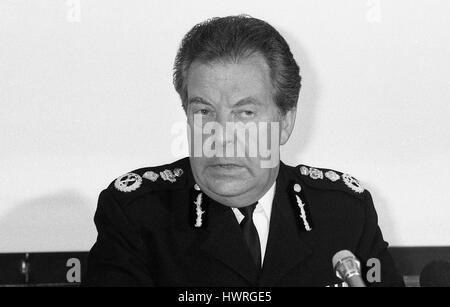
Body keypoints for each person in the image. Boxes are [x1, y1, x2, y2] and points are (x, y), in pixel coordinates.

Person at [84, 15, 404, 287]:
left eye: (245, 113)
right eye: (204, 112)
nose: (222, 138)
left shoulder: (343, 214)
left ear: (285, 121)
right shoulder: (138, 214)